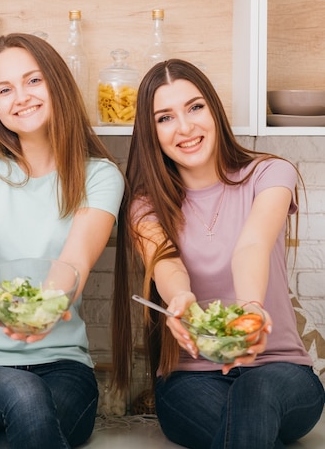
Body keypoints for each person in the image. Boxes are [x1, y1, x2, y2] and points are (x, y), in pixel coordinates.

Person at [112, 58, 325, 448]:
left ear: (214, 109)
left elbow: (253, 244)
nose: (185, 127)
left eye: (195, 107)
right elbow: (167, 266)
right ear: (150, 132)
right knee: (246, 426)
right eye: (164, 117)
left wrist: (250, 310)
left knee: (254, 395)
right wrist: (181, 299)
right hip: (190, 379)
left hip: (280, 370)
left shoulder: (270, 174)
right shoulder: (145, 205)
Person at [0, 33, 124, 448]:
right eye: (4, 89)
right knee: (24, 396)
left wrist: (41, 313)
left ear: (57, 83)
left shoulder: (101, 176)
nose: (20, 96)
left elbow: (73, 263)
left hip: (62, 367)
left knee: (26, 423)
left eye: (33, 81)